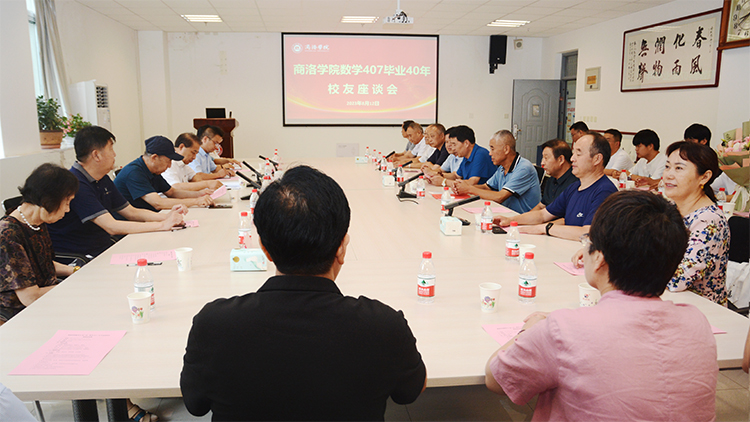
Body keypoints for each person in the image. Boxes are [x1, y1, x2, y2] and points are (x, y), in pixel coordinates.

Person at [180, 165, 427, 421]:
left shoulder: (214, 324)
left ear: (264, 249)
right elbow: (410, 391)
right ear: (342, 248)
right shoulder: (383, 325)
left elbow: (195, 404)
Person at [487, 191, 717, 421]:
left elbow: (496, 379)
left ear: (599, 258)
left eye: (587, 240)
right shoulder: (697, 322)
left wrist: (530, 330)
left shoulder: (563, 330)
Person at [49, 126, 185, 258]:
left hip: (103, 247)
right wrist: (162, 225)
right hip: (81, 256)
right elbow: (111, 226)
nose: (114, 154)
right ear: (96, 155)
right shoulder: (76, 183)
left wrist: (167, 217)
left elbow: (131, 212)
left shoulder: (102, 178)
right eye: (110, 149)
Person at [494, 132, 617, 241]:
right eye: (573, 153)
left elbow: (587, 233)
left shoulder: (605, 191)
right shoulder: (574, 187)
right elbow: (543, 215)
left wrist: (545, 228)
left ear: (597, 159)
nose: (572, 158)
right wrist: (510, 220)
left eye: (578, 154)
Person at [0, 164, 78, 324]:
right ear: (48, 201)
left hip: (49, 298)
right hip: (22, 315)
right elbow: (30, 297)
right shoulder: (8, 235)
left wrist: (75, 271)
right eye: (66, 202)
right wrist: (73, 287)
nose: (68, 209)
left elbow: (42, 264)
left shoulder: (36, 222)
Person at [663, 141, 730, 306]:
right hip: (667, 300)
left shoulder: (709, 220)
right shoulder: (670, 208)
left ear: (704, 177)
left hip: (701, 310)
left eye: (679, 168)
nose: (668, 175)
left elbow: (677, 280)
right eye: (667, 167)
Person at [114, 136, 215, 211]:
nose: (170, 165)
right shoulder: (134, 172)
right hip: (131, 225)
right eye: (168, 161)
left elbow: (172, 192)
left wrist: (199, 194)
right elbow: (158, 203)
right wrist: (196, 201)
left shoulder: (153, 171)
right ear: (154, 158)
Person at [454, 130, 540, 213]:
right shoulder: (502, 167)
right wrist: (463, 187)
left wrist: (469, 189)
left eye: (493, 149)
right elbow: (486, 187)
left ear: (506, 149)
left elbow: (500, 197)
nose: (490, 153)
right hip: (505, 213)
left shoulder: (524, 168)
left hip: (521, 217)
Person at [426, 125, 496, 187]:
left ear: (466, 143)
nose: (453, 148)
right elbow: (456, 176)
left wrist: (444, 181)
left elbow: (472, 182)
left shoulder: (480, 154)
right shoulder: (465, 156)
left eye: (454, 144)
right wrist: (437, 175)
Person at [684, 123, 738, 197]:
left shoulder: (711, 158)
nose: (687, 144)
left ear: (704, 141)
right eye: (686, 141)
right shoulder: (686, 156)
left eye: (691, 141)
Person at [537, 139, 576, 208]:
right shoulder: (551, 179)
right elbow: (541, 206)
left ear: (561, 160)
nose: (542, 163)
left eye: (546, 158)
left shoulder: (575, 184)